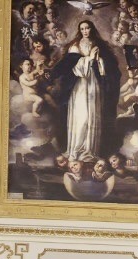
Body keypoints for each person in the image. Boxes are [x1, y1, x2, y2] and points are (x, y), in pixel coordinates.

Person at [49, 19, 119, 161]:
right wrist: (90, 58)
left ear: (91, 29)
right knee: (82, 116)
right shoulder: (75, 46)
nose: (85, 31)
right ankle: (76, 149)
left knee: (93, 116)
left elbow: (107, 68)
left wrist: (99, 60)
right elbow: (73, 68)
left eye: (87, 28)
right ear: (79, 31)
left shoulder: (98, 45)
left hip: (94, 84)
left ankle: (90, 150)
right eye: (82, 29)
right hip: (80, 84)